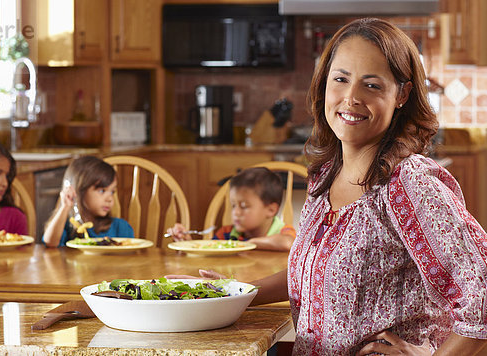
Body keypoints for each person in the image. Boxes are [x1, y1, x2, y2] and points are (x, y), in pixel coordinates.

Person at [169, 18, 487, 355]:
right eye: (341, 79)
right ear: (324, 86)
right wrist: (233, 292)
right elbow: (312, 275)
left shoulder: (410, 184)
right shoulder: (325, 177)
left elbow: (482, 291)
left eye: (372, 85)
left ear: (402, 95)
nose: (351, 98)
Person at [166, 167, 295, 252]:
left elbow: (288, 243)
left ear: (271, 210)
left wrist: (249, 244)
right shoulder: (226, 234)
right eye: (233, 206)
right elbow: (210, 252)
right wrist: (187, 243)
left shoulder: (284, 231)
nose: (236, 213)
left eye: (244, 206)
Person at [42, 156, 133, 247]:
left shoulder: (121, 228)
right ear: (78, 191)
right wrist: (64, 207)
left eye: (112, 192)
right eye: (102, 191)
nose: (109, 199)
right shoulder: (67, 225)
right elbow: (50, 243)